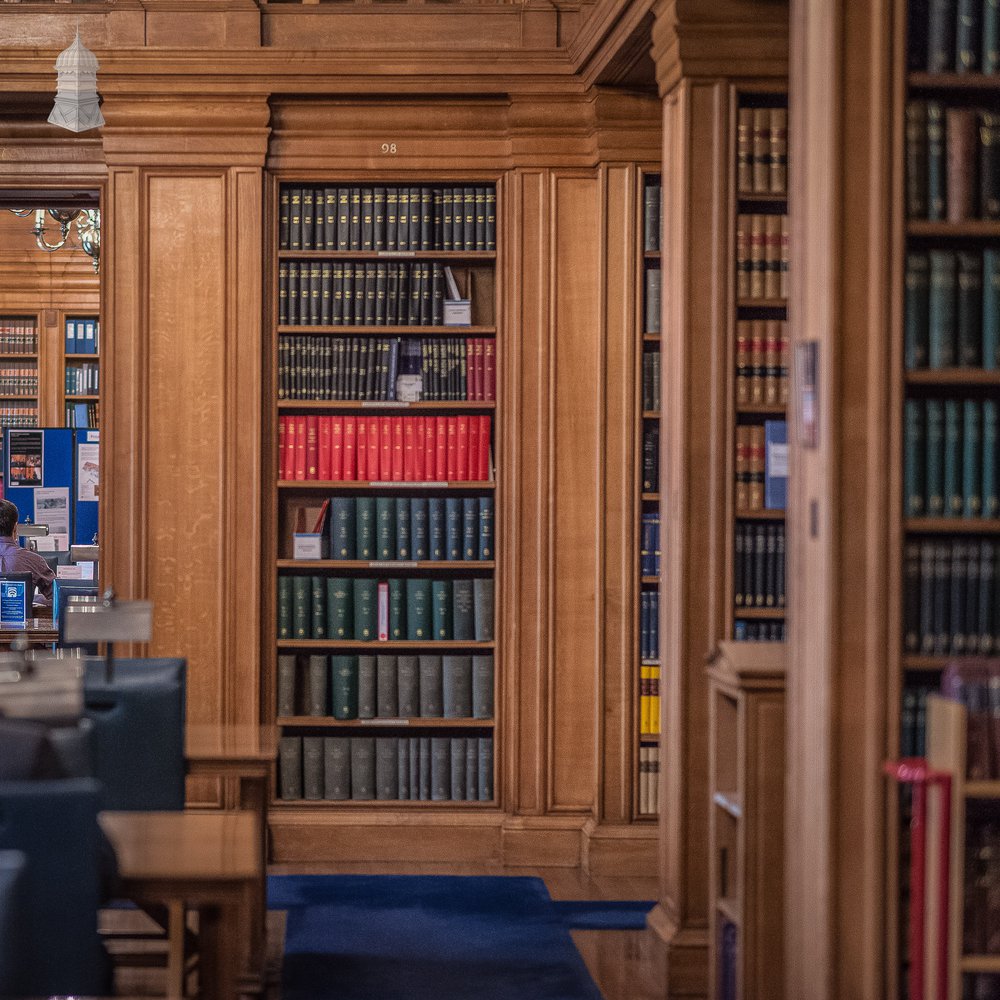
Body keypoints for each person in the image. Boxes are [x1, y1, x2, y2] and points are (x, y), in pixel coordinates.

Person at [0, 499, 54, 607]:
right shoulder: (34, 560)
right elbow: (58, 597)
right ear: (15, 527)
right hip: (22, 623)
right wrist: (34, 600)